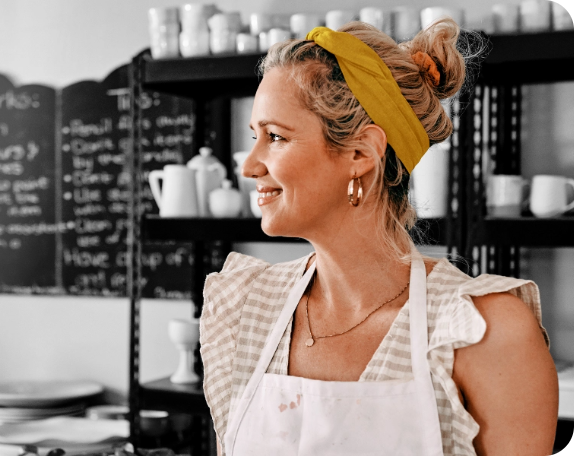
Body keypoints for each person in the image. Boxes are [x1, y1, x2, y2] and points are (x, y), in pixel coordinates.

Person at [200, 18, 558, 456]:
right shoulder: (244, 309)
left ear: (360, 154)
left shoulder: (484, 334)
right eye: (255, 137)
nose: (249, 166)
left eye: (275, 137)